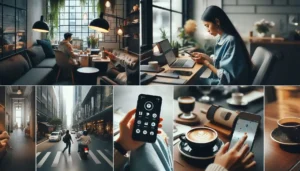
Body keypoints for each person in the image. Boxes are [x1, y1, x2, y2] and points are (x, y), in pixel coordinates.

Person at [192, 6, 252, 85]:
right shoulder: (222, 38)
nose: (208, 30)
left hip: (227, 85)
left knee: (192, 82)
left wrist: (206, 63)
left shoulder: (230, 41)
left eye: (207, 25)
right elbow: (221, 63)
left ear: (217, 22)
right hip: (221, 81)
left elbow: (227, 78)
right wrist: (205, 57)